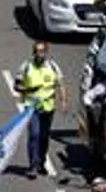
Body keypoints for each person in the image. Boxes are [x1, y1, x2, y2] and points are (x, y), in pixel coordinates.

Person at [12, 41, 66, 180]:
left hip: (48, 107)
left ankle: (41, 162)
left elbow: (60, 84)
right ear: (33, 53)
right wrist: (28, 90)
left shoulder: (53, 66)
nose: (39, 54)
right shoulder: (26, 67)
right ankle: (33, 166)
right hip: (32, 107)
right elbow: (16, 86)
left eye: (42, 51)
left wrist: (63, 101)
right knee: (34, 135)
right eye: (36, 51)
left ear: (46, 53)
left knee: (43, 136)